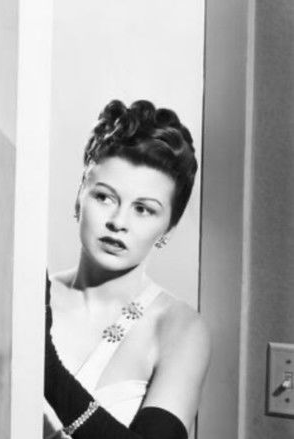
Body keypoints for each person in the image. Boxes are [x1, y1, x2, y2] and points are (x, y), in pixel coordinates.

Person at [43, 99, 210, 438]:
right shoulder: (31, 297)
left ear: (169, 229)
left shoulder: (179, 328)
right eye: (104, 197)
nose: (118, 221)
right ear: (79, 198)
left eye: (143, 209)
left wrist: (47, 368)